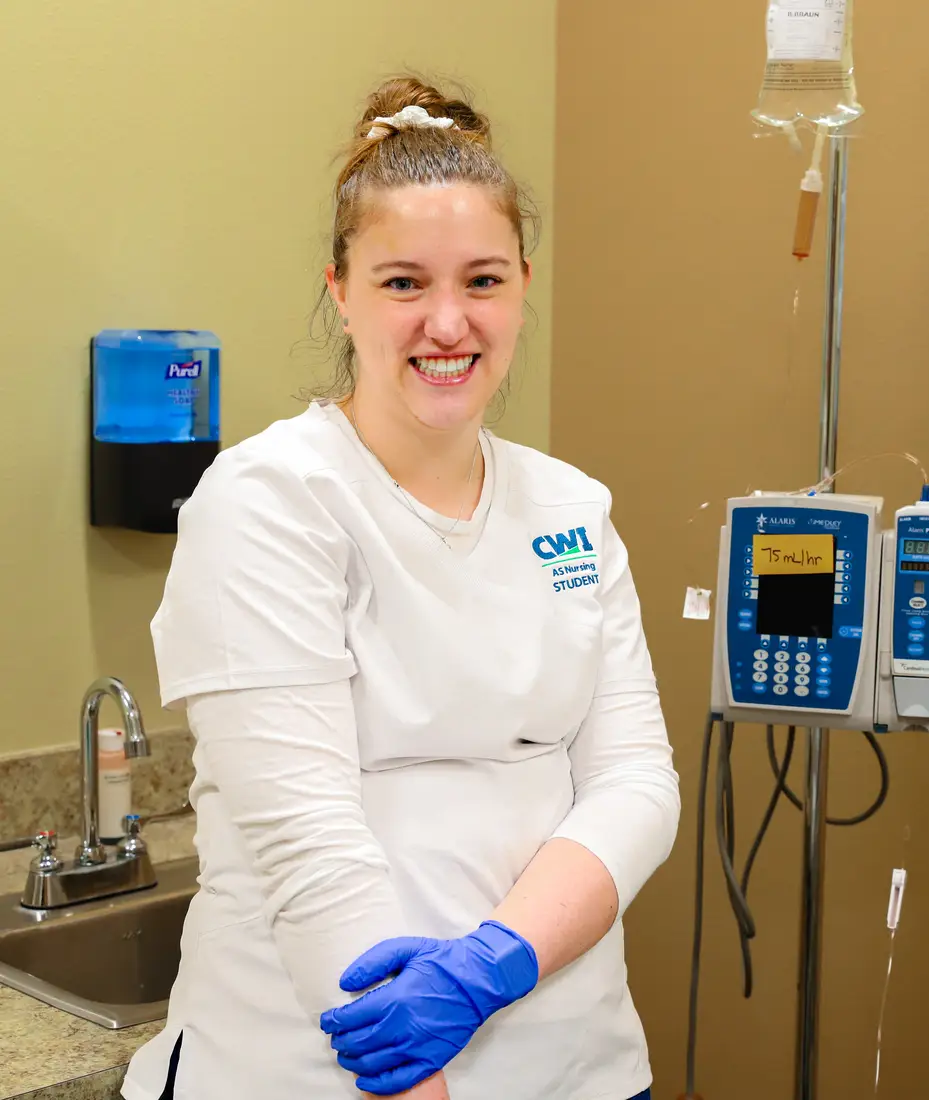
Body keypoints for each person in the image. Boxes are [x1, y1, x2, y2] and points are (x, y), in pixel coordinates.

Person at [120, 75, 680, 1100]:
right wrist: (411, 1073)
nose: (446, 322)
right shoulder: (269, 501)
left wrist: (493, 961)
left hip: (576, 1064)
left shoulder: (570, 509)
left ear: (523, 284)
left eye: (481, 279)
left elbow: (635, 783)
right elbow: (307, 847)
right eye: (401, 282)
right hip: (321, 1070)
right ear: (339, 290)